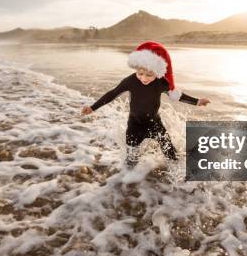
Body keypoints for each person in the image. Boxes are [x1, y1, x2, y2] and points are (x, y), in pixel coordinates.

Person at [81, 41, 210, 167]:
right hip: (134, 125)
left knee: (171, 154)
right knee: (131, 160)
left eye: (149, 74)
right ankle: (128, 183)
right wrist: (93, 108)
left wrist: (197, 101)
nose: (144, 78)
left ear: (158, 72)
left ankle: (179, 179)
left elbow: (177, 95)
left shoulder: (161, 83)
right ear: (136, 68)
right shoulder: (130, 81)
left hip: (155, 123)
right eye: (140, 73)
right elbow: (112, 94)